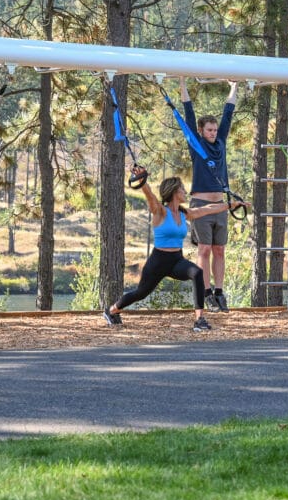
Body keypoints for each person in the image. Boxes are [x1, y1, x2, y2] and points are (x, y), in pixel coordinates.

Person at [103, 167, 250, 332]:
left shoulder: (183, 213)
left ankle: (199, 319)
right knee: (140, 293)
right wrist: (142, 180)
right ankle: (112, 311)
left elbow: (207, 209)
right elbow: (150, 196)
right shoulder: (160, 212)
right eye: (182, 189)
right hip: (158, 262)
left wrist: (231, 205)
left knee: (197, 273)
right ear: (173, 191)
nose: (185, 191)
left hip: (176, 261)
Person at [180, 76, 238, 312]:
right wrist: (183, 85)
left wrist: (234, 87)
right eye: (209, 130)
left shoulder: (221, 141)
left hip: (220, 205)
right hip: (201, 203)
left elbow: (228, 115)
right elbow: (188, 115)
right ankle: (205, 293)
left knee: (219, 250)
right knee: (203, 249)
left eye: (214, 130)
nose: (213, 133)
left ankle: (219, 292)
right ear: (201, 131)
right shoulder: (196, 144)